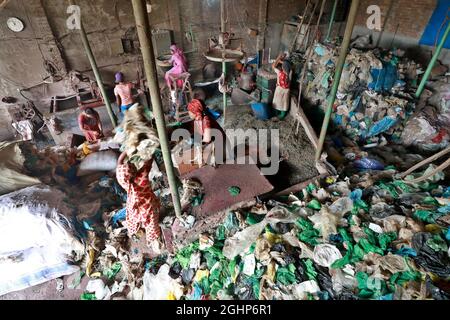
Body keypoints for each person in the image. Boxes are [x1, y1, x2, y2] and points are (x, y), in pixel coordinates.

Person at [116, 151, 163, 253]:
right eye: (132, 165)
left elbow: (119, 163)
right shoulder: (140, 178)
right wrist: (148, 150)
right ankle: (154, 240)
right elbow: (148, 163)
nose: (133, 164)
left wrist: (127, 150)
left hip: (134, 210)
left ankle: (134, 230)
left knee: (132, 219)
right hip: (147, 208)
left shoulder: (124, 182)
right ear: (133, 171)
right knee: (152, 225)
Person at [187, 99, 226, 166]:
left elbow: (207, 139)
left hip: (219, 143)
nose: (189, 113)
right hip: (212, 142)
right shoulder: (197, 120)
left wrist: (197, 147)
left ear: (195, 111)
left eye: (190, 111)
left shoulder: (206, 120)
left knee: (209, 164)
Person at [272, 53, 292, 120]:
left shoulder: (280, 73)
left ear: (283, 67)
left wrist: (278, 57)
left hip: (280, 90)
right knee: (284, 103)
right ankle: (282, 115)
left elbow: (273, 66)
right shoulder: (290, 73)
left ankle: (276, 114)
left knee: (277, 102)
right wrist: (282, 61)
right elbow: (287, 66)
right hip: (286, 90)